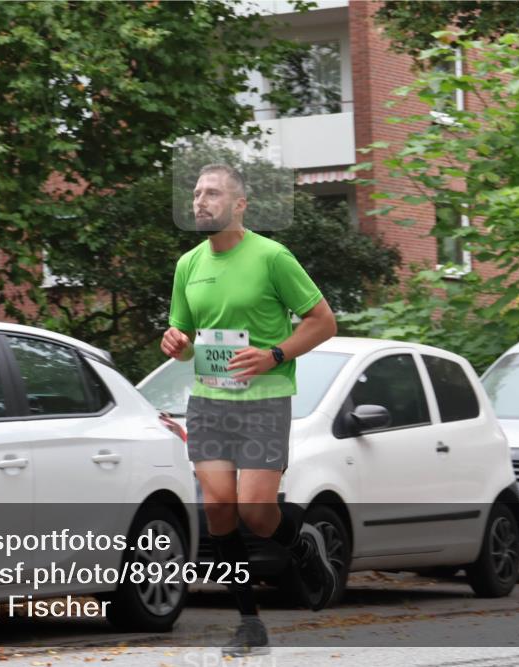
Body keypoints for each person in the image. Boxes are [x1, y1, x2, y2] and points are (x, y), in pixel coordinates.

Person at [161, 163, 339, 657]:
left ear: (240, 205)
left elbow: (323, 322)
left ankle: (302, 543)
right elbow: (183, 340)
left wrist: (274, 354)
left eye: (212, 193)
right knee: (218, 508)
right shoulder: (188, 265)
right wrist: (175, 343)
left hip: (264, 401)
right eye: (197, 193)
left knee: (257, 512)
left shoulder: (271, 257)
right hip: (209, 401)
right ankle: (249, 622)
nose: (201, 201)